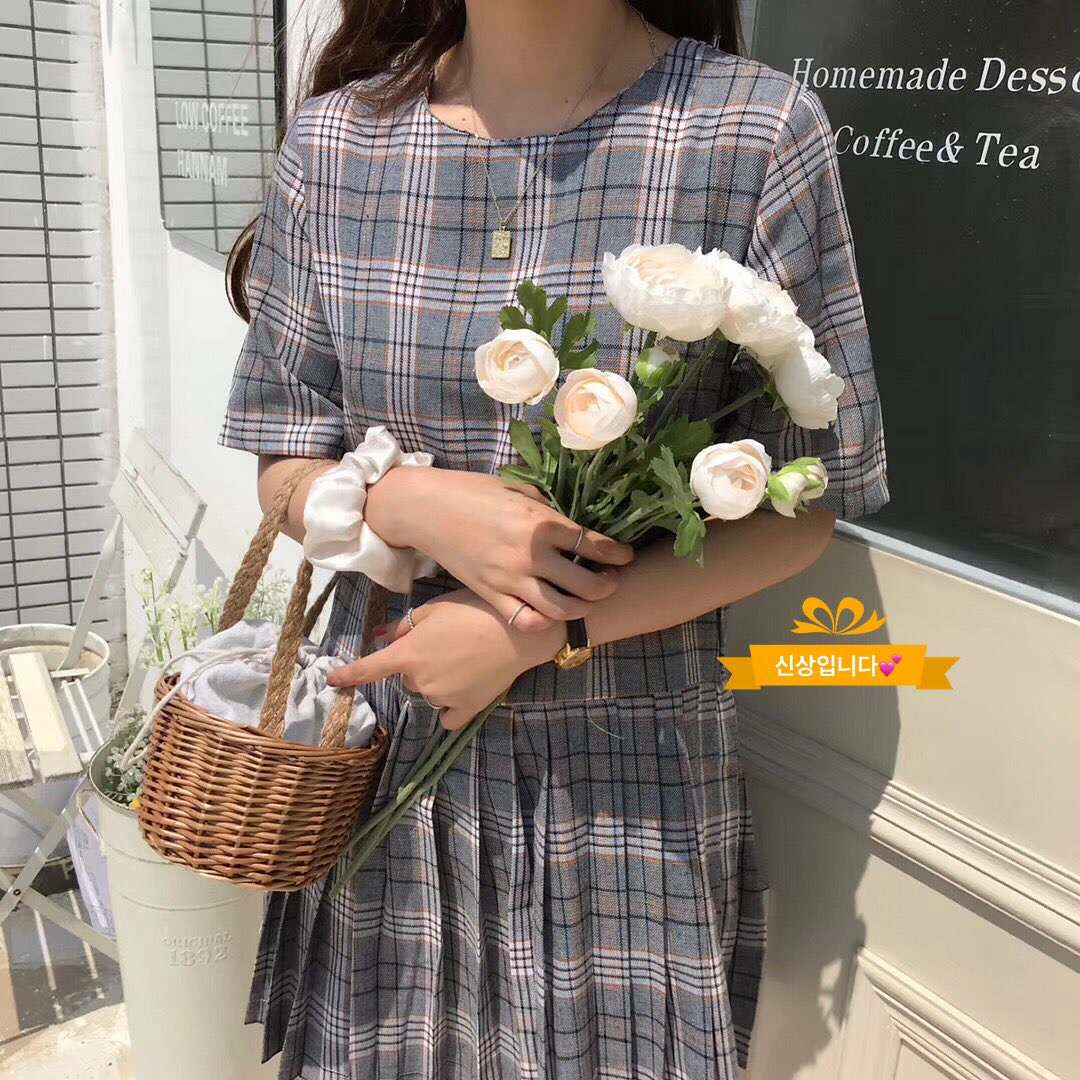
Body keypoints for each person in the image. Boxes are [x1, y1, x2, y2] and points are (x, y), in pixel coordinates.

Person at [220, 2, 888, 1076]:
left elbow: (804, 501)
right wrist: (411, 502)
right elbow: (284, 465)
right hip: (390, 742)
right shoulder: (340, 143)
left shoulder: (750, 129)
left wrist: (538, 632)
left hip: (626, 771)